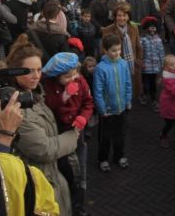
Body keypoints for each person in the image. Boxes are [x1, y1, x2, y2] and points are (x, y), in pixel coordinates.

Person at [7, 35, 78, 215]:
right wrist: (74, 136)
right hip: (40, 185)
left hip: (51, 176)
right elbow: (43, 149)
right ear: (14, 71)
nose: (36, 76)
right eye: (29, 71)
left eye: (39, 70)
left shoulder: (36, 94)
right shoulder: (16, 108)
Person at [42, 52, 94, 216]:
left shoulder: (81, 81)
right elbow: (48, 104)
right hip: (60, 132)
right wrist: (65, 95)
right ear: (56, 76)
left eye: (74, 74)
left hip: (77, 130)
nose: (72, 79)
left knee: (80, 169)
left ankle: (79, 207)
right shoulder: (49, 85)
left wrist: (83, 117)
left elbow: (88, 102)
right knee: (66, 170)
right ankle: (67, 204)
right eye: (67, 77)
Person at [93, 33, 132, 172]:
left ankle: (119, 156)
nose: (117, 53)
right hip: (108, 111)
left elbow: (128, 83)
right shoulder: (100, 68)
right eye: (113, 50)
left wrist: (128, 100)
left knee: (120, 134)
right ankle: (102, 159)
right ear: (105, 50)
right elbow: (97, 91)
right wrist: (102, 109)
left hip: (121, 108)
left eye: (119, 49)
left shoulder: (124, 64)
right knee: (105, 136)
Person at [100, 2, 143, 99]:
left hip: (133, 66)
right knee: (119, 94)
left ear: (128, 16)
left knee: (133, 92)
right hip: (115, 68)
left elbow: (138, 47)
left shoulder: (134, 28)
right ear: (115, 16)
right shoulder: (107, 30)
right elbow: (103, 51)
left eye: (124, 15)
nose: (122, 18)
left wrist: (139, 61)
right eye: (119, 15)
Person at [139, 16, 164, 110]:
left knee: (153, 83)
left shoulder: (159, 40)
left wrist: (162, 64)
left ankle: (153, 99)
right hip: (145, 66)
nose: (153, 28)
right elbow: (140, 53)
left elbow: (161, 52)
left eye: (154, 27)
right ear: (146, 28)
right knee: (144, 82)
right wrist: (141, 63)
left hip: (155, 66)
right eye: (150, 26)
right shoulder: (142, 40)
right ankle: (144, 94)